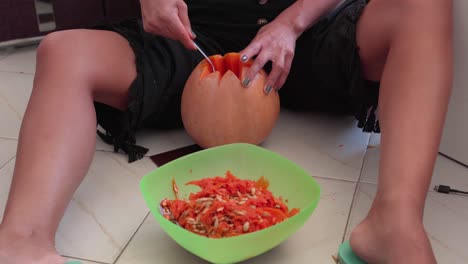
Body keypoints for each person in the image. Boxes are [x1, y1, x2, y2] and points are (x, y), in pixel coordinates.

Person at [0, 0, 453, 263]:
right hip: (195, 35)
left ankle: (393, 221)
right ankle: (22, 242)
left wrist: (290, 23)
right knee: (63, 51)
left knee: (426, 4)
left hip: (306, 30)